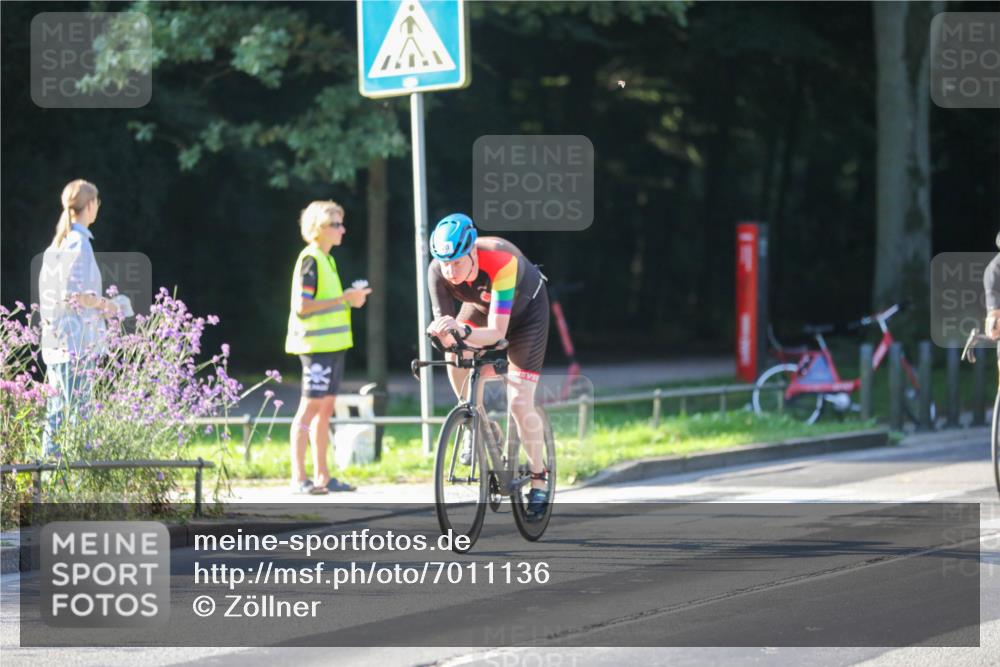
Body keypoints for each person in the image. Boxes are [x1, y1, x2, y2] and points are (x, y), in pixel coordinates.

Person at [425, 213, 551, 520]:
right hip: (482, 307)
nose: (450, 270)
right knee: (456, 353)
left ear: (472, 252)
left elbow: (496, 331)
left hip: (526, 316)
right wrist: (448, 336)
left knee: (520, 403)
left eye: (457, 261)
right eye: (445, 263)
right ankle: (477, 421)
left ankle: (539, 478)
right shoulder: (437, 271)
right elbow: (447, 330)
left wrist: (464, 332)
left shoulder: (500, 260)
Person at [285, 200, 371, 495]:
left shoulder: (328, 259)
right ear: (318, 229)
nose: (342, 230)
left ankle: (323, 476)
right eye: (336, 224)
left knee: (325, 411)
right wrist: (345, 299)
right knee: (309, 411)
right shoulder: (310, 259)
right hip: (316, 347)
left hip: (333, 347)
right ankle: (299, 477)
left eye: (341, 223)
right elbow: (303, 306)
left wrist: (351, 299)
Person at [39, 179, 119, 456]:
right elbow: (76, 295)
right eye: (97, 202)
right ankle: (72, 482)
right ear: (89, 205)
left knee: (58, 414)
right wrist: (106, 305)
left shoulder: (60, 244)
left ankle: (47, 482)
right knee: (76, 417)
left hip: (59, 344)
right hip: (74, 345)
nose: (98, 207)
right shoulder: (78, 244)